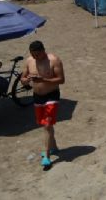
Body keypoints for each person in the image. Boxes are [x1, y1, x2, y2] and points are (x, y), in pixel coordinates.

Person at [20, 40, 65, 169]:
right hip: (37, 96)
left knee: (47, 125)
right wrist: (26, 80)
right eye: (33, 55)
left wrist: (43, 79)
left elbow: (61, 79)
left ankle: (46, 157)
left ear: (43, 51)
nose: (35, 57)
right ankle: (54, 148)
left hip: (52, 95)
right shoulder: (29, 61)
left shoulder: (54, 60)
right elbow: (23, 79)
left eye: (37, 55)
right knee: (45, 126)